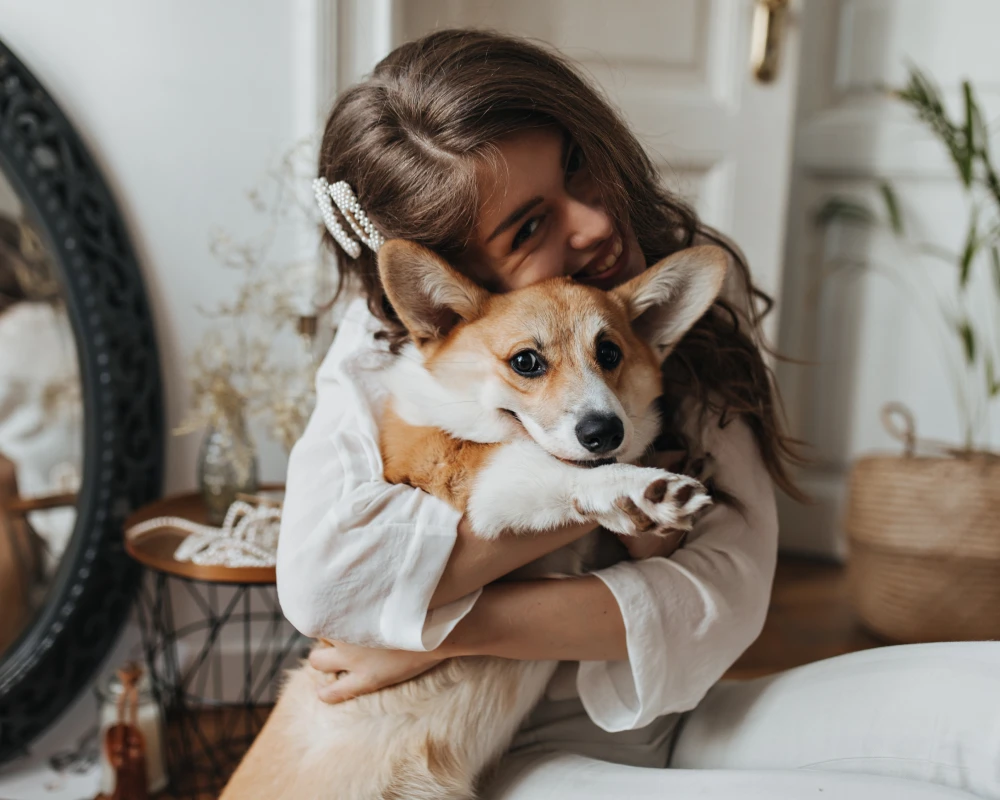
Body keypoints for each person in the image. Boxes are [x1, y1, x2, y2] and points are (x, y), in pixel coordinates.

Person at [276, 29, 1000, 799]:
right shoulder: (393, 352)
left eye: (578, 168)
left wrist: (436, 630)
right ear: (450, 288)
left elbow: (724, 596)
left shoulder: (648, 311)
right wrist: (609, 497)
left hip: (672, 714)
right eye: (529, 229)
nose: (590, 224)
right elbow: (327, 586)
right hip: (504, 754)